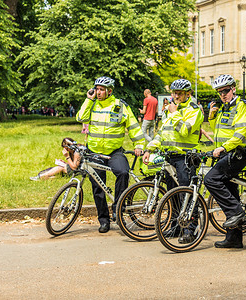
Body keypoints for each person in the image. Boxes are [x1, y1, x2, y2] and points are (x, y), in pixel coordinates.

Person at [76, 76, 145, 233]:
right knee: (97, 187)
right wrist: (88, 99)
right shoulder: (92, 106)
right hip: (95, 152)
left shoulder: (120, 106)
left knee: (123, 172)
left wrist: (139, 145)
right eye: (97, 89)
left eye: (101, 89)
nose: (98, 92)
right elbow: (80, 117)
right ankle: (104, 220)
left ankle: (118, 209)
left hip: (114, 152)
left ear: (110, 91)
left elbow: (133, 126)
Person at [143, 79, 204, 243]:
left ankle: (191, 229)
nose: (176, 96)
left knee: (187, 193)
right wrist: (149, 149)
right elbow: (161, 134)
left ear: (188, 94)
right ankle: (176, 225)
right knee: (172, 194)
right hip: (170, 157)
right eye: (174, 93)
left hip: (186, 157)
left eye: (180, 93)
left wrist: (175, 113)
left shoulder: (194, 110)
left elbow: (185, 131)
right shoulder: (170, 110)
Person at [204, 74, 246, 249]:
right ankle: (234, 238)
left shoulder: (242, 106)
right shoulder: (224, 107)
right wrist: (211, 116)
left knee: (210, 179)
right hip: (225, 154)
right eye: (219, 92)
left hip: (237, 154)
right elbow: (218, 131)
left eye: (225, 90)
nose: (222, 94)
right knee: (231, 193)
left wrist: (224, 148)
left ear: (233, 89)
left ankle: (238, 213)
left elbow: (240, 134)